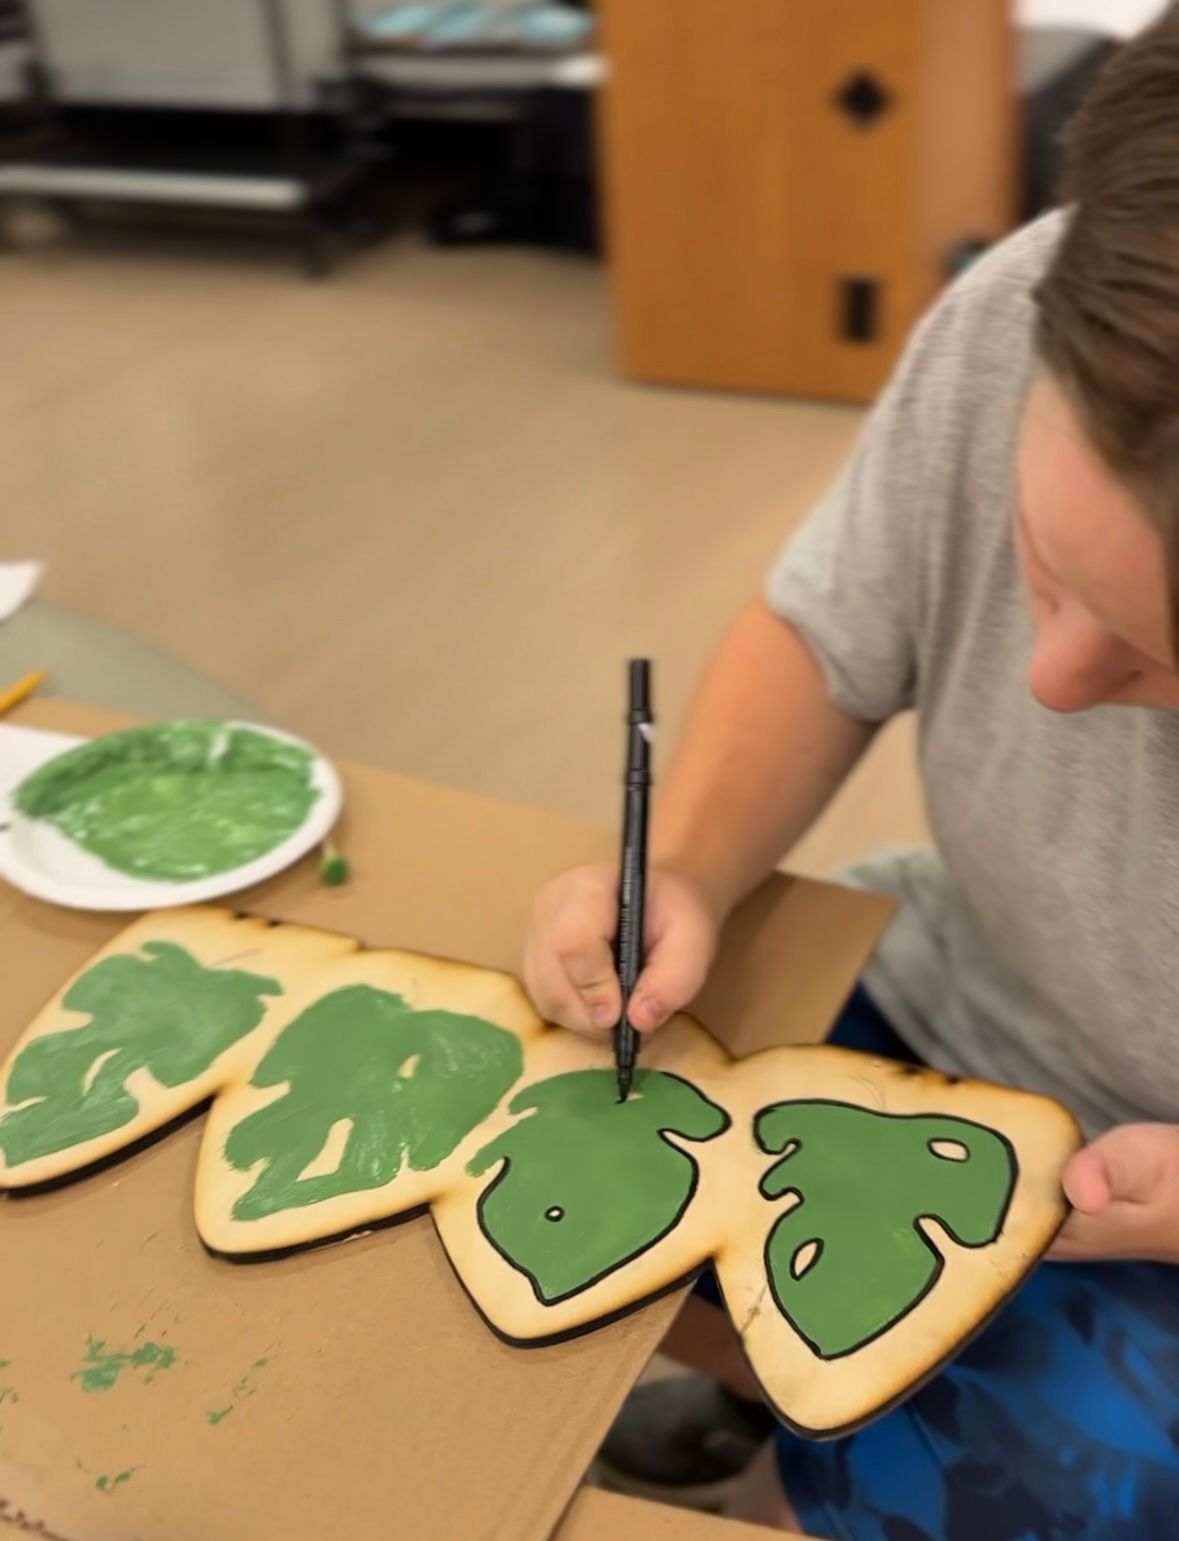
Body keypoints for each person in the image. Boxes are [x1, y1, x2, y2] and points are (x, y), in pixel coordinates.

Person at [523, 14, 1179, 1541]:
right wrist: (687, 865)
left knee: (1073, 1495)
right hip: (947, 983)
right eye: (1045, 565)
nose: (1051, 682)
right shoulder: (1031, 307)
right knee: (533, 1120)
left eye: (1162, 659)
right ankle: (795, 1413)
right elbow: (828, 631)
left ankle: (822, 1441)